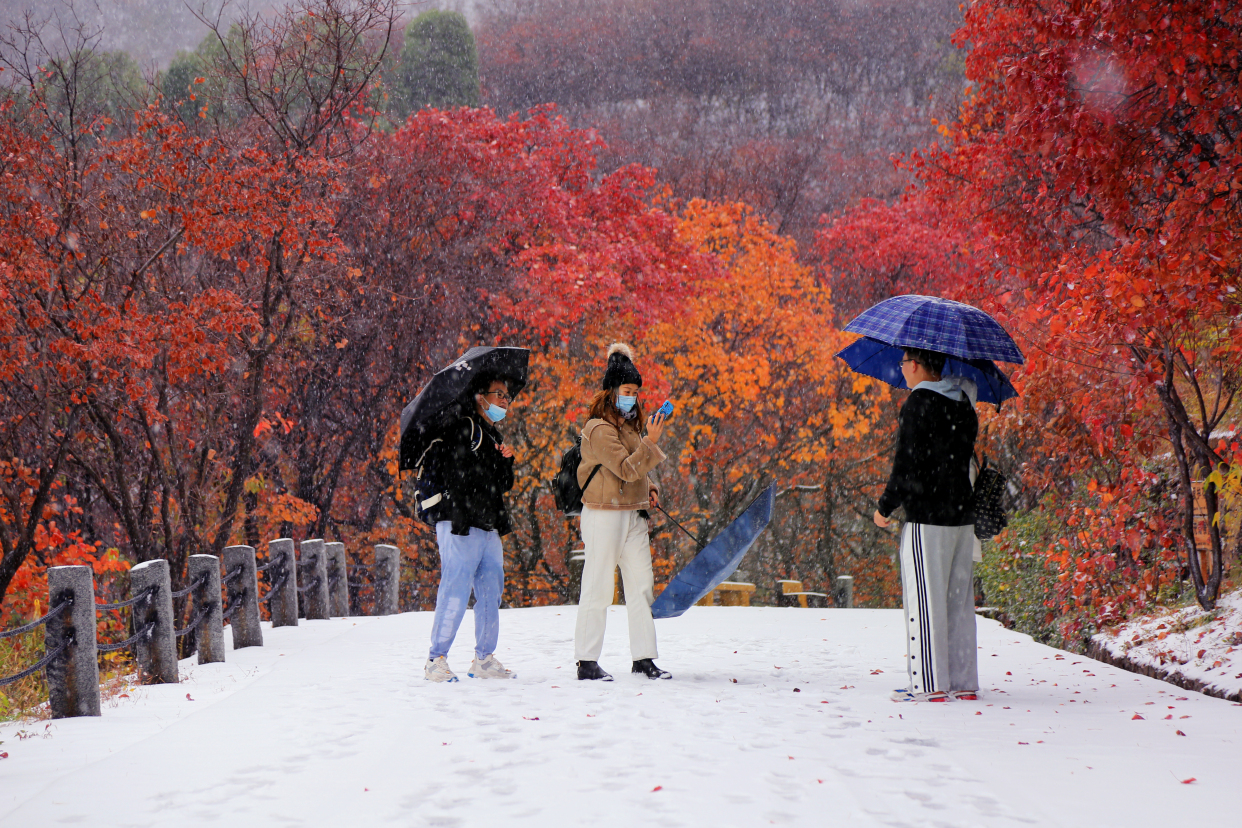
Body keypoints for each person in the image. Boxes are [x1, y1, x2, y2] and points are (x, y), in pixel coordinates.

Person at [873, 347, 980, 702]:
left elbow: (906, 467)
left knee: (924, 600)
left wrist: (885, 507)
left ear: (916, 365)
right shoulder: (963, 404)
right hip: (963, 518)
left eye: (904, 363)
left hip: (927, 519)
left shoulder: (917, 404)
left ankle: (929, 684)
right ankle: (963, 683)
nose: (902, 370)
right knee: (958, 602)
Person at [574, 343, 672, 681]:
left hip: (633, 513)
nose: (633, 397)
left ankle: (643, 657)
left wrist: (651, 487)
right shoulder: (598, 429)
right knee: (599, 585)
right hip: (604, 514)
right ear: (612, 391)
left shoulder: (630, 427)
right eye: (628, 391)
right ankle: (586, 661)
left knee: (641, 584)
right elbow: (626, 469)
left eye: (635, 392)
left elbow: (638, 472)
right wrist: (652, 442)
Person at [424, 374, 518, 682]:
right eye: (499, 394)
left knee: (491, 590)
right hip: (459, 523)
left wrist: (506, 461)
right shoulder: (463, 427)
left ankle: (484, 659)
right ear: (480, 397)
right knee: (456, 589)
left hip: (487, 525)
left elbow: (501, 485)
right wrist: (489, 466)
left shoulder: (493, 435)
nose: (505, 401)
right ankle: (435, 659)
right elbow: (460, 476)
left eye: (507, 396)